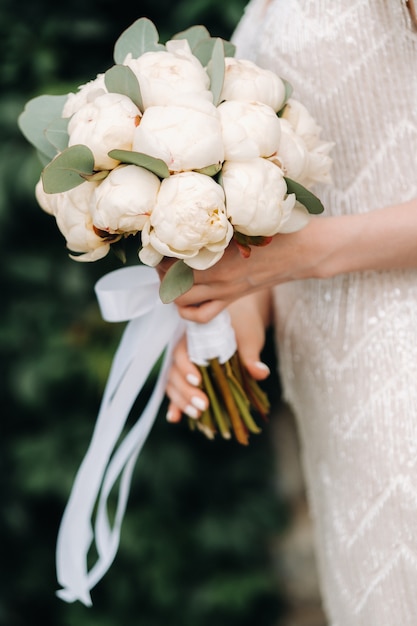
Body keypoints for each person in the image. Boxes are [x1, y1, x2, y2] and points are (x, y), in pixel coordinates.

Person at [161, 1, 417, 624]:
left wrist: (292, 258)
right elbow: (302, 205)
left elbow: (299, 244)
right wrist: (233, 306)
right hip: (337, 399)